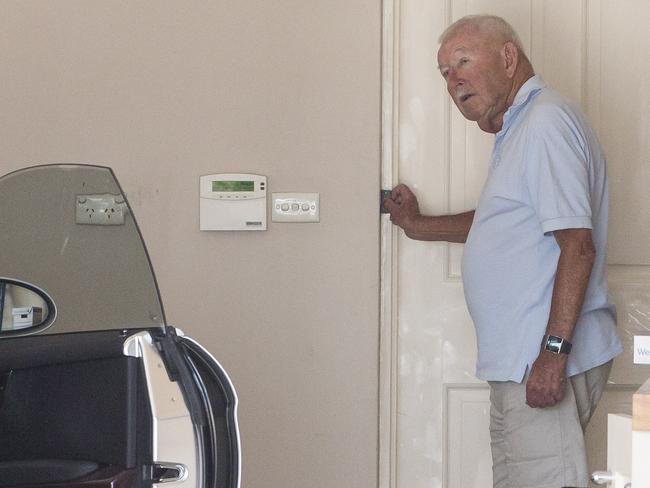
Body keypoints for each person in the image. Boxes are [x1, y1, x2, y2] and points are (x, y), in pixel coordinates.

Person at [383, 15, 622, 488]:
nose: (454, 81)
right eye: (445, 73)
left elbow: (577, 245)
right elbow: (500, 224)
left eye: (463, 62)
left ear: (509, 58)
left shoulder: (545, 123)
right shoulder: (521, 128)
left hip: (542, 359)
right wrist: (416, 226)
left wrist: (552, 354)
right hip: (521, 362)